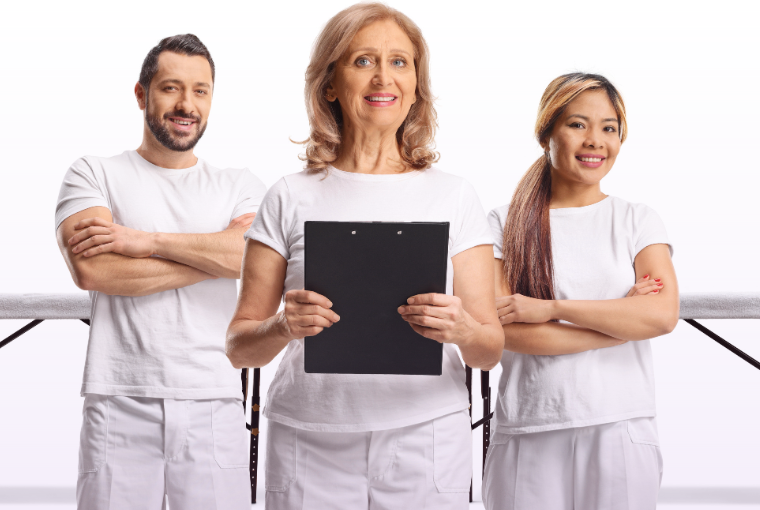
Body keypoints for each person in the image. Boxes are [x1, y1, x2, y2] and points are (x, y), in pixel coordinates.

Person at [225, 4, 503, 509]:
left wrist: (461, 328)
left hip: (426, 436)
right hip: (310, 441)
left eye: (400, 62)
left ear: (417, 84)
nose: (383, 77)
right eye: (363, 61)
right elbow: (241, 347)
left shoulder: (456, 196)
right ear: (329, 83)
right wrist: (283, 326)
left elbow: (489, 348)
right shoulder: (288, 195)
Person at [55, 34, 267, 510]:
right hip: (119, 401)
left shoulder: (239, 185)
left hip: (214, 399)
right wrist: (212, 259)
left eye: (200, 90)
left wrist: (146, 241)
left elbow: (258, 259)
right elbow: (93, 269)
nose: (186, 104)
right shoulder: (93, 174)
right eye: (171, 88)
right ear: (141, 95)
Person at [482, 73, 679, 510]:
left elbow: (661, 316)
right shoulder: (501, 223)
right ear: (546, 133)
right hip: (528, 430)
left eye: (609, 128)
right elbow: (503, 330)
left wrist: (549, 308)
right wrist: (618, 324)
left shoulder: (637, 220)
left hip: (620, 427)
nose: (595, 141)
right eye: (577, 124)